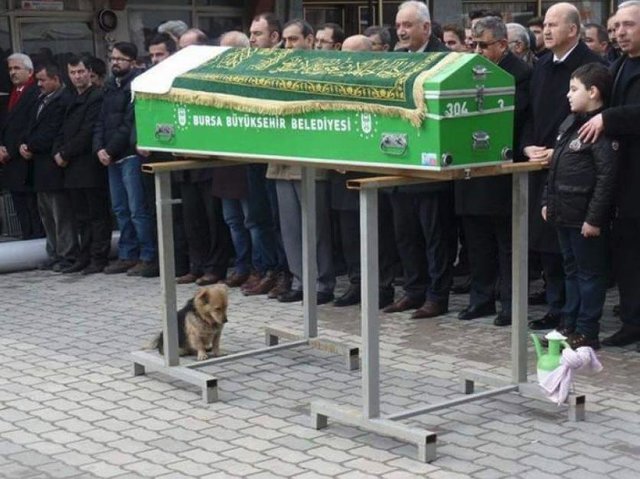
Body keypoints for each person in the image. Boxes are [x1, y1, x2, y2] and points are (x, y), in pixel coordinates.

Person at [456, 16, 531, 327]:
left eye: (483, 45)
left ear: (503, 44)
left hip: (501, 169)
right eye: (472, 44)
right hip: (470, 168)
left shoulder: (520, 74)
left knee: (506, 242)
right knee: (476, 241)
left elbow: (517, 118)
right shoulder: (469, 72)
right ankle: (481, 298)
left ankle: (510, 302)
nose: (476, 50)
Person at [383, 1, 454, 319]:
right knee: (405, 235)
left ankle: (437, 296)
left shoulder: (445, 60)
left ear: (426, 27)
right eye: (399, 25)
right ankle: (413, 290)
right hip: (400, 159)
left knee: (435, 237)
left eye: (408, 25)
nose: (401, 31)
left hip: (430, 167)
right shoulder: (396, 60)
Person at [541, 62, 617, 350]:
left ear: (593, 92)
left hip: (585, 217)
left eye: (574, 90)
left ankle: (587, 331)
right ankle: (568, 323)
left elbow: (606, 178)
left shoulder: (600, 129)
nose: (568, 95)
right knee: (570, 270)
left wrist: (594, 219)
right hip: (564, 213)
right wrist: (547, 201)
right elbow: (555, 166)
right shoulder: (570, 123)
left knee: (589, 275)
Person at [578, 0, 640, 347]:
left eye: (628, 25)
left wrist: (608, 119)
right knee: (628, 256)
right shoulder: (616, 66)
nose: (619, 33)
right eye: (615, 27)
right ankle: (632, 321)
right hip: (623, 181)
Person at [266, 19, 335, 304]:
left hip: (311, 160)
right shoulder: (278, 69)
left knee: (315, 228)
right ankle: (299, 280)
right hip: (281, 160)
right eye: (285, 40)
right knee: (290, 228)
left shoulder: (323, 70)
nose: (288, 45)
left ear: (309, 39)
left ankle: (322, 283)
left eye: (294, 39)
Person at [94, 42, 158, 276]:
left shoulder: (137, 84)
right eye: (113, 58)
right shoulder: (110, 86)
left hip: (128, 155)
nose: (115, 62)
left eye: (120, 59)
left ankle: (147, 254)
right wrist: (99, 148)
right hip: (111, 158)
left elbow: (129, 123)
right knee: (120, 209)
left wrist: (110, 149)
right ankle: (127, 254)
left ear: (132, 61)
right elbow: (100, 120)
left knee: (136, 209)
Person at [52, 55, 111, 274]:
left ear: (89, 72)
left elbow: (88, 131)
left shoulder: (97, 96)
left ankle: (98, 257)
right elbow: (60, 128)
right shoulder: (68, 98)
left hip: (88, 165)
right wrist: (57, 151)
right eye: (73, 72)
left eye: (80, 72)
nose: (77, 76)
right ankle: (84, 256)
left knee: (97, 215)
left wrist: (65, 152)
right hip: (71, 168)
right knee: (81, 217)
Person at [20, 63, 76, 271]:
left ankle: (67, 255)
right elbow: (30, 126)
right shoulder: (40, 100)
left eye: (43, 80)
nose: (40, 84)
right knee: (47, 214)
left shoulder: (63, 100)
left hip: (53, 166)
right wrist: (24, 144)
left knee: (60, 215)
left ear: (55, 79)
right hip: (39, 167)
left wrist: (32, 145)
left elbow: (53, 131)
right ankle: (53, 253)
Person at [0, 53, 43, 241]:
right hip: (10, 159)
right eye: (10, 69)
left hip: (25, 159)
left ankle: (36, 239)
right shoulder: (13, 93)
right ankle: (28, 236)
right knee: (19, 204)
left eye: (17, 68)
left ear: (30, 71)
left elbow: (29, 124)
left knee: (31, 205)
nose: (12, 72)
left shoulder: (33, 92)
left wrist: (12, 147)